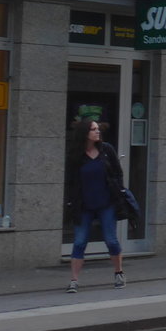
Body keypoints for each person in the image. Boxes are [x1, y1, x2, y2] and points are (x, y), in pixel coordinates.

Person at [63, 120, 125, 292]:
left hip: (106, 203)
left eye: (98, 129)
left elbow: (118, 172)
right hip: (84, 205)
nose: (97, 132)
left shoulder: (106, 150)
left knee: (111, 240)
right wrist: (71, 201)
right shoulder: (76, 154)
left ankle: (118, 272)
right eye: (93, 129)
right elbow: (70, 180)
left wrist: (118, 190)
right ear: (85, 133)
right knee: (80, 241)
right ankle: (74, 280)